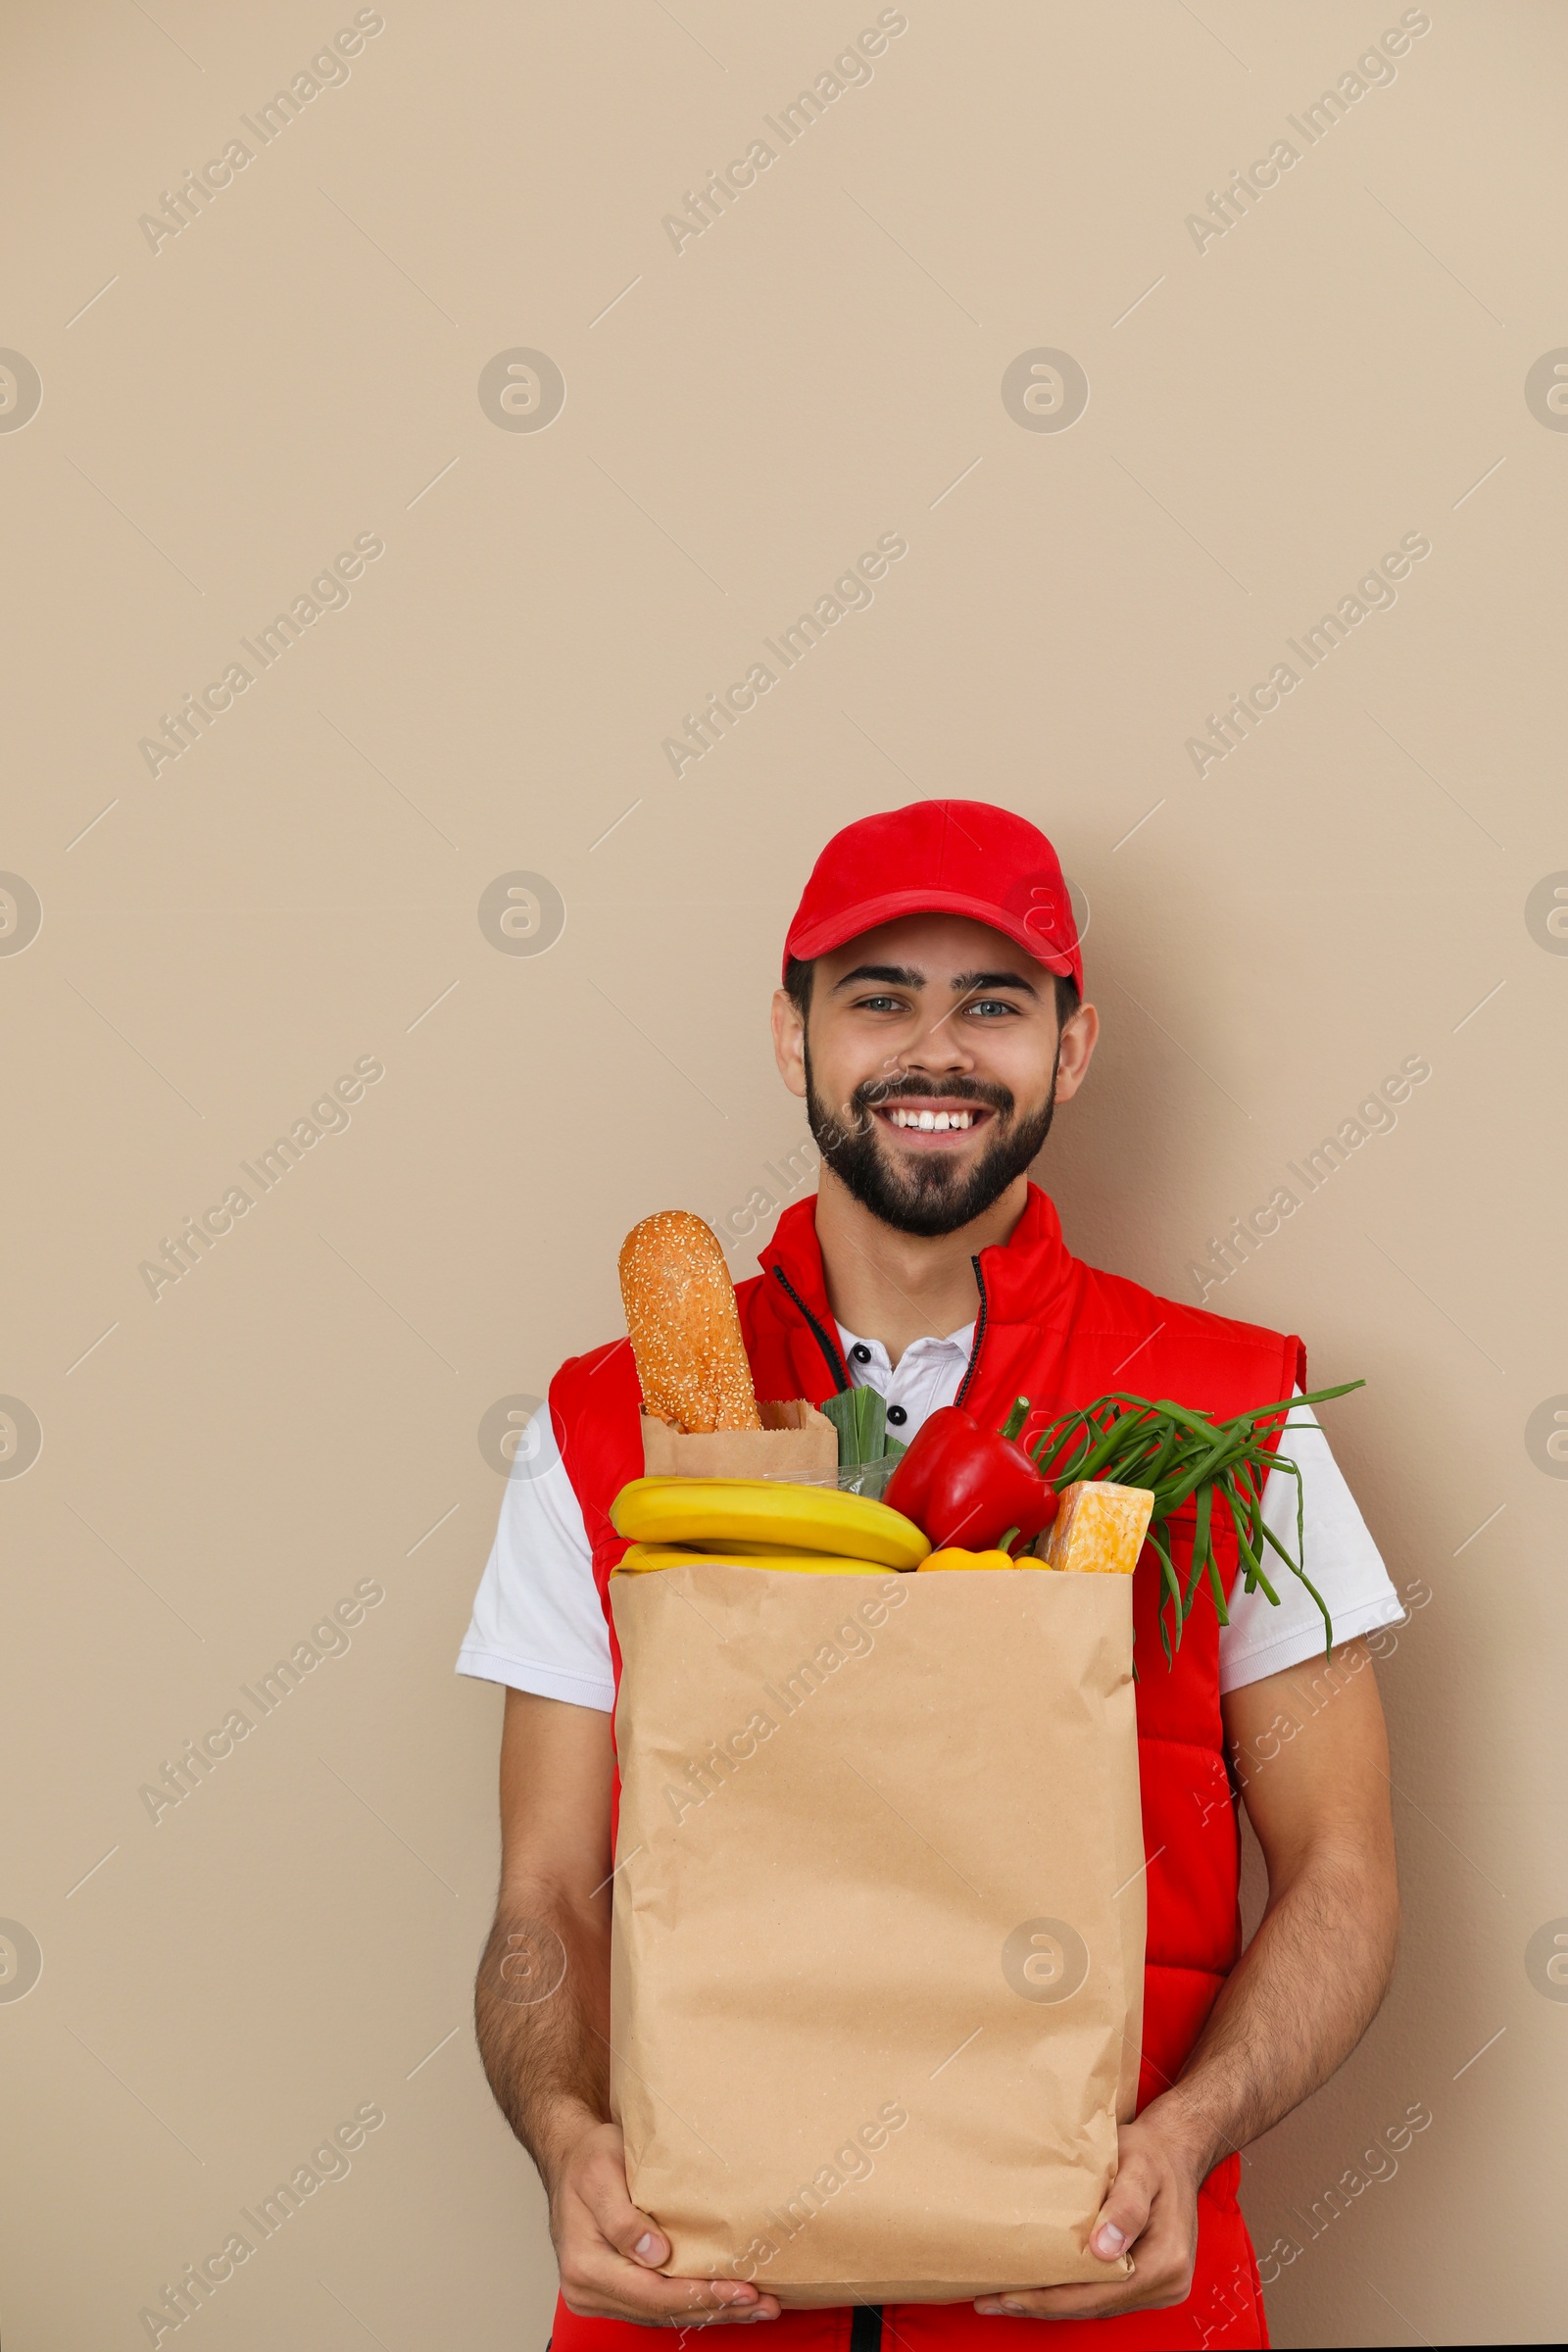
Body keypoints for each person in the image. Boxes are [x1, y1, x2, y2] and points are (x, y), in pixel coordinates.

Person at [460, 800, 1401, 2350]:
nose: (936, 1050)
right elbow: (544, 1893)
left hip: (1104, 2305)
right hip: (696, 2306)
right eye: (879, 995)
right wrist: (567, 2142)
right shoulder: (595, 1425)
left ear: (1074, 1046)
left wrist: (1188, 2140)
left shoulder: (1236, 1417)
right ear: (794, 1035)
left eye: (995, 1002)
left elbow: (1346, 1878)